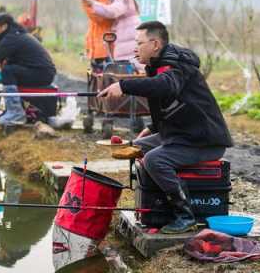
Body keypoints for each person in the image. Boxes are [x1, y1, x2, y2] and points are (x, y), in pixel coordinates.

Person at [99, 21, 233, 234]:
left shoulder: (174, 66)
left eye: (139, 43)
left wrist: (123, 85)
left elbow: (165, 86)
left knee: (154, 159)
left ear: (155, 44)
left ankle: (185, 215)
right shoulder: (162, 64)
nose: (136, 48)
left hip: (204, 140)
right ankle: (155, 205)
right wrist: (154, 128)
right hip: (186, 133)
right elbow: (177, 105)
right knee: (137, 146)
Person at [83, 0, 140, 64]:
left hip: (127, 34)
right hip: (125, 34)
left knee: (128, 67)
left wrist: (91, 5)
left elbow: (112, 12)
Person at [81, 0, 113, 69]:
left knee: (103, 78)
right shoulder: (97, 1)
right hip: (97, 48)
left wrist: (86, 6)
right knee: (97, 78)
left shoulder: (106, 1)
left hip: (103, 48)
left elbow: (99, 20)